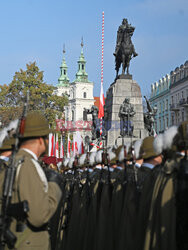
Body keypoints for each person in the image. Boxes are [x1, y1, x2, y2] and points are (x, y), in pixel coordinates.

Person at [6, 111, 62, 250]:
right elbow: (39, 216)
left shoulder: (16, 161)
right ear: (40, 140)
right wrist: (54, 186)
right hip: (28, 243)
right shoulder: (27, 165)